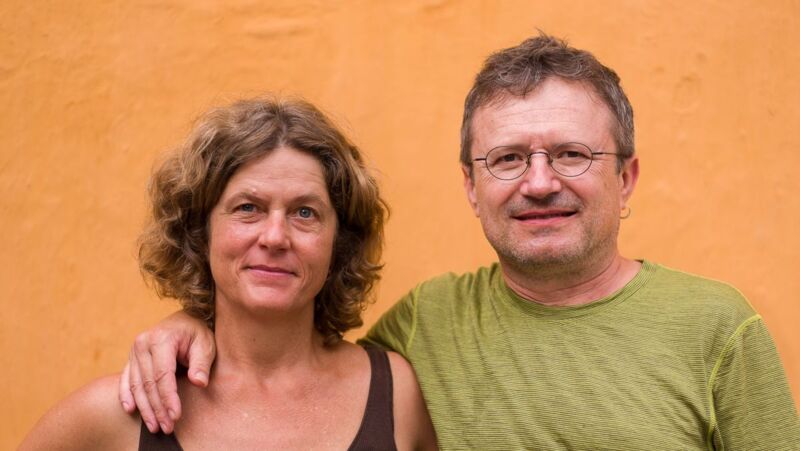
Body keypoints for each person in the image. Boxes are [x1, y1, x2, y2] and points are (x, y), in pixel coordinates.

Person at [118, 35, 800, 449]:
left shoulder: (717, 327)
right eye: (507, 159)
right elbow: (290, 346)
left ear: (625, 179)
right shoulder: (426, 325)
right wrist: (192, 321)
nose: (539, 183)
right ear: (472, 187)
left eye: (571, 154)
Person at [20, 98, 437, 450]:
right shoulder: (116, 413)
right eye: (248, 208)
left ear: (338, 242)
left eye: (305, 213)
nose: (275, 237)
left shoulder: (398, 396)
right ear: (200, 232)